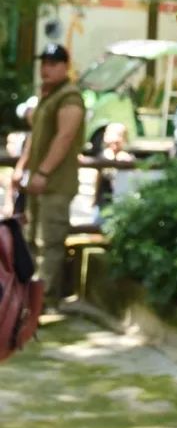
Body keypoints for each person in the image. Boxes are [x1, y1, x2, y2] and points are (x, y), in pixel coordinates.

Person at [6, 45, 85, 305]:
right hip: (37, 182)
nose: (46, 68)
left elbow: (65, 137)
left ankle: (45, 300)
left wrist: (43, 172)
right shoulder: (48, 95)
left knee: (49, 243)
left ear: (65, 66)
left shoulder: (70, 97)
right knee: (30, 240)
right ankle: (29, 299)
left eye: (53, 63)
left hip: (56, 184)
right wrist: (22, 166)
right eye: (44, 63)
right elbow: (36, 136)